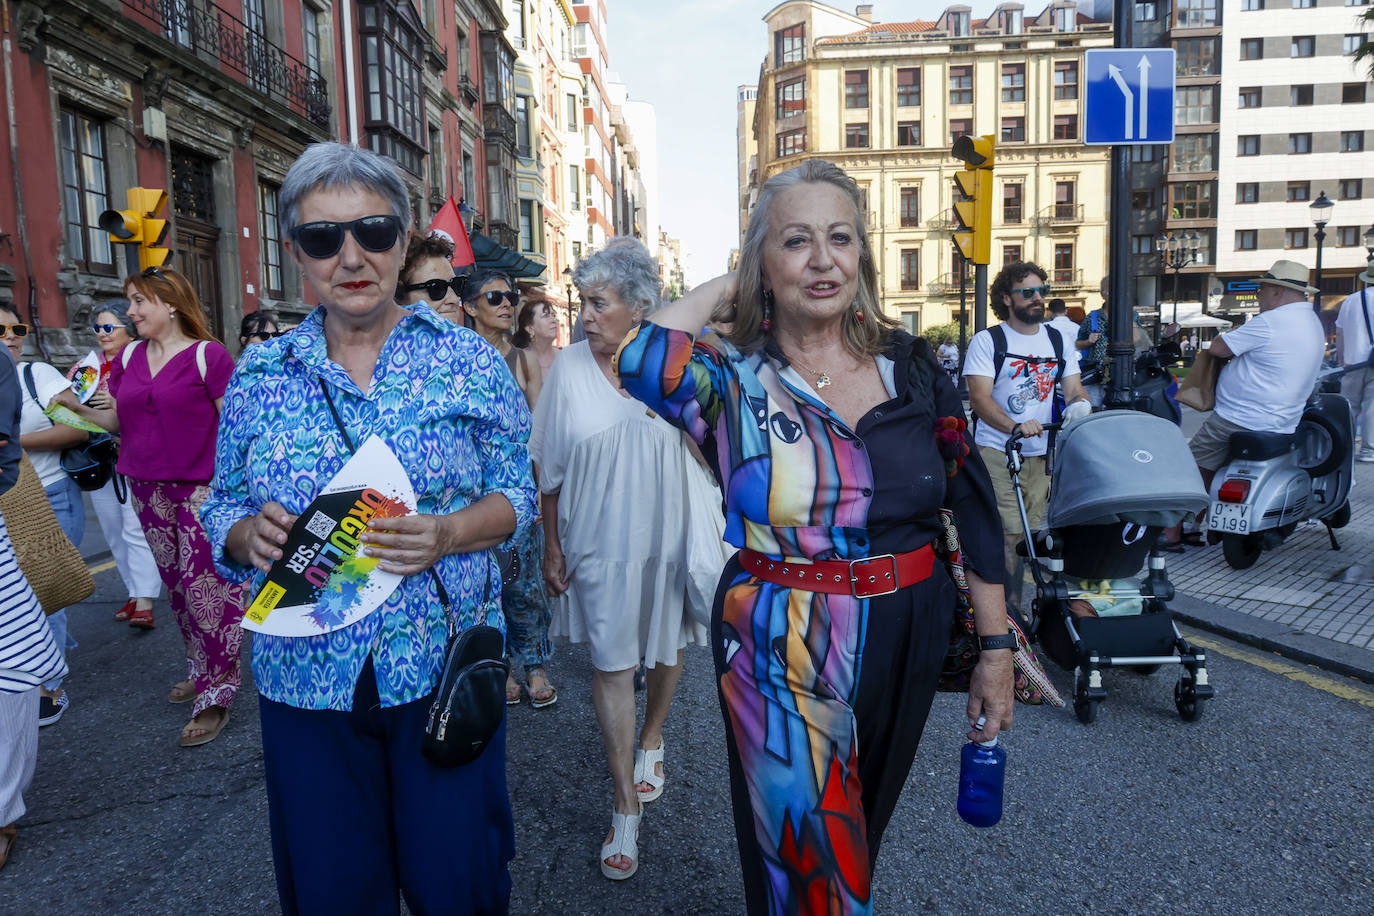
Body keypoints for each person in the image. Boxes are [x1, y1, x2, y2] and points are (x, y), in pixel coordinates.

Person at [615, 160, 1013, 912]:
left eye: (841, 238)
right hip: (781, 632)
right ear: (761, 261)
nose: (823, 260)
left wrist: (995, 653)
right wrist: (731, 290)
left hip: (909, 627)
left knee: (859, 832)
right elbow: (638, 359)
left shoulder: (915, 366)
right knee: (813, 864)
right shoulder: (728, 377)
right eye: (796, 241)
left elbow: (970, 505)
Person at [200, 141, 535, 914]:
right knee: (333, 894)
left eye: (374, 231)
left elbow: (520, 497)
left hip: (437, 666)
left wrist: (447, 533)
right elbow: (217, 502)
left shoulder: (465, 361)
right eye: (323, 238)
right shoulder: (259, 373)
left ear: (404, 236)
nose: (351, 256)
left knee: (459, 887)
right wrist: (243, 535)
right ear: (296, 254)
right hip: (306, 680)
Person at [532, 238, 711, 881]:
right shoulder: (567, 370)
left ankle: (653, 737)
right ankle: (623, 806)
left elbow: (708, 441)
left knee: (667, 647)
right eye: (582, 302)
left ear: (638, 307)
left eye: (598, 303)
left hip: (666, 532)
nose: (584, 315)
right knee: (611, 663)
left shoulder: (670, 362)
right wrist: (552, 545)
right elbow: (548, 468)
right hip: (597, 542)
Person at [56, 266, 243, 745]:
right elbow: (120, 420)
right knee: (179, 589)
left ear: (171, 304)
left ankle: (217, 693)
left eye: (139, 302)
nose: (131, 312)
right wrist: (78, 407)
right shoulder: (132, 356)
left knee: (209, 592)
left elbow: (235, 430)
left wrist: (230, 488)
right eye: (131, 302)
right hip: (145, 488)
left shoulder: (209, 356)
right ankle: (202, 669)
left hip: (200, 489)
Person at [1162, 259, 1326, 548]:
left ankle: (1172, 534)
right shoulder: (1312, 321)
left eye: (1262, 290)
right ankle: (1192, 525)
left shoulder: (1272, 321)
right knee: (1210, 469)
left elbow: (1218, 348)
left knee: (1190, 467)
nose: (1258, 296)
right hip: (1282, 420)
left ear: (1277, 291)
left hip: (1240, 417)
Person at [964, 262, 1090, 607]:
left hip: (1039, 454)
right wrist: (1014, 427)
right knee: (1009, 537)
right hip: (997, 451)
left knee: (1026, 537)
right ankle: (1011, 618)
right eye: (1028, 292)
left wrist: (1080, 406)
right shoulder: (988, 340)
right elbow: (979, 397)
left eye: (1042, 291)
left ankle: (1012, 611)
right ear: (1006, 298)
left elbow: (1074, 388)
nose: (1038, 298)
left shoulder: (1057, 339)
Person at [0, 304, 86, 726]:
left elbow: (78, 429)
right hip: (5, 502)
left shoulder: (37, 375)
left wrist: (14, 441)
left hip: (49, 497)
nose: (12, 336)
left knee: (44, 591)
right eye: (1, 330)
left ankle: (49, 687)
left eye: (16, 327)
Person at [0, 342, 67, 872]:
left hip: (46, 491)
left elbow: (5, 456)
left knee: (11, 659)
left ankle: (1, 808)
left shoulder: (24, 369)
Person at [78, 301, 161, 630]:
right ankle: (132, 591)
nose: (102, 334)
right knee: (114, 530)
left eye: (108, 327)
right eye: (97, 328)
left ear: (129, 328)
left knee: (135, 528)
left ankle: (144, 599)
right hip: (99, 459)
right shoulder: (86, 367)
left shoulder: (145, 361)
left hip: (138, 455)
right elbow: (70, 406)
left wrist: (115, 406)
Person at [1334, 256, 1374, 462]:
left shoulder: (1351, 300)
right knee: (1373, 407)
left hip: (1352, 362)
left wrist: (1341, 358)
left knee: (1349, 406)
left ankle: (1342, 448)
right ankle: (1368, 450)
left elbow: (1339, 332)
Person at [397, 231, 465, 323]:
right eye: (436, 288)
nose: (454, 299)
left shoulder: (471, 337)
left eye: (456, 285)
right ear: (399, 297)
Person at [508, 294, 561, 408]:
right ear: (530, 328)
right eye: (545, 316)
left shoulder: (564, 357)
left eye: (553, 315)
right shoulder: (520, 360)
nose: (553, 320)